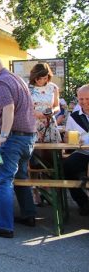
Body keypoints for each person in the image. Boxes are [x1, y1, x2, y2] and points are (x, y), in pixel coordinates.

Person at [0, 53, 36, 238]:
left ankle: (4, 226)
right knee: (21, 176)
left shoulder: (1, 82)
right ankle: (29, 215)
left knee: (3, 181)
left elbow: (9, 107)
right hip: (28, 137)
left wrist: (3, 135)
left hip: (12, 139)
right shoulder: (16, 78)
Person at [63, 84, 89, 215]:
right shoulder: (74, 117)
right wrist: (73, 140)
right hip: (83, 152)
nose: (84, 102)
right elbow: (67, 137)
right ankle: (84, 203)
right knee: (66, 166)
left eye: (87, 99)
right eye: (81, 99)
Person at [28, 62, 61, 143]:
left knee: (51, 153)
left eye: (45, 78)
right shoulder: (27, 88)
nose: (42, 81)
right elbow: (23, 107)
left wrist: (52, 111)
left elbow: (57, 107)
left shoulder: (53, 87)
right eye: (39, 78)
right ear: (34, 76)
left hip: (49, 123)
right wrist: (35, 113)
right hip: (33, 124)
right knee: (34, 153)